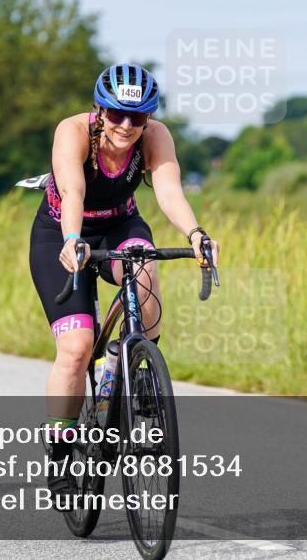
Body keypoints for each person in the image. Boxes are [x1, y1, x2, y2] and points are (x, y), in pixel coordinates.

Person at [29, 63, 219, 497]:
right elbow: (73, 190)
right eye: (116, 115)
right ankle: (60, 449)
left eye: (138, 117)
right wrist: (73, 239)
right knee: (75, 349)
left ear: (149, 117)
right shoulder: (73, 132)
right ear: (99, 110)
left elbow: (169, 191)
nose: (127, 126)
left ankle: (132, 363)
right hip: (63, 231)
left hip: (120, 226)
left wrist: (196, 235)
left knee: (145, 268)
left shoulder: (155, 137)